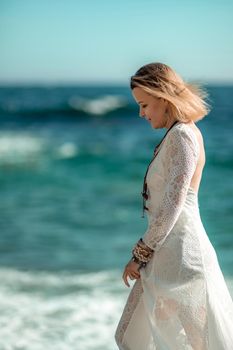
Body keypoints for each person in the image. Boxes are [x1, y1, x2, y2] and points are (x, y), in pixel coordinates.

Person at [115, 62, 233, 350]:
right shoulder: (177, 135)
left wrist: (140, 253)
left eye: (144, 105)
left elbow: (173, 205)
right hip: (166, 253)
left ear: (163, 97)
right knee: (131, 336)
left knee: (197, 343)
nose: (141, 113)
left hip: (183, 257)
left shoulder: (183, 135)